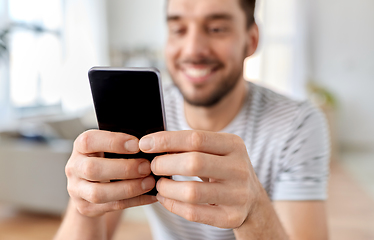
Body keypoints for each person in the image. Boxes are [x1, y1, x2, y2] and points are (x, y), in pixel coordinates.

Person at [54, 0, 330, 239]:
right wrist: (85, 208)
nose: (193, 49)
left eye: (217, 29)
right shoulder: (145, 112)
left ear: (251, 40)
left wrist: (253, 208)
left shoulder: (298, 123)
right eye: (178, 29)